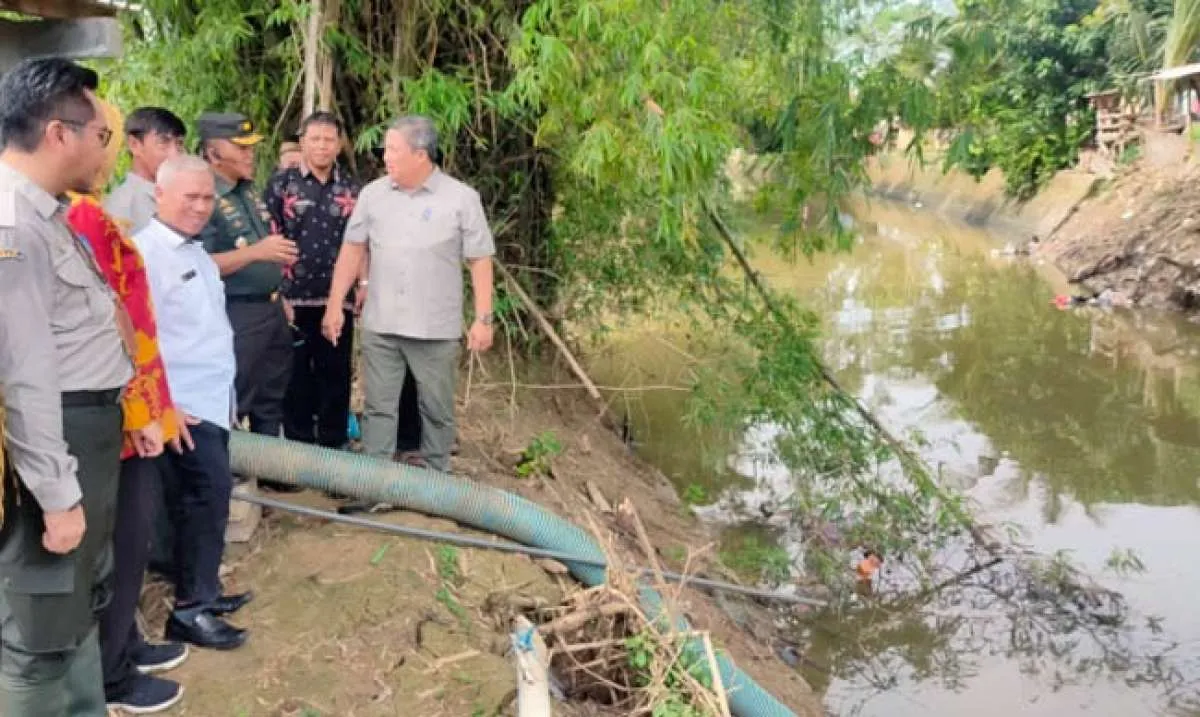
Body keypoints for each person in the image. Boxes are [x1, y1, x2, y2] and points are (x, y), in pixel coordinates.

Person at [0, 57, 134, 717]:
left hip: (85, 430)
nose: (104, 152)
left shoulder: (44, 214)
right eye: (100, 136)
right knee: (37, 625)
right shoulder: (12, 225)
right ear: (59, 134)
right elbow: (23, 374)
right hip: (53, 437)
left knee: (76, 601)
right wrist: (55, 495)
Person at [66, 98, 188, 713]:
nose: (106, 146)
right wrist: (143, 414)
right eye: (103, 134)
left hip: (132, 406)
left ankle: (124, 647)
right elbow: (111, 324)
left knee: (129, 542)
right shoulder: (80, 217)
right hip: (112, 416)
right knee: (118, 542)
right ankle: (111, 674)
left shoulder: (79, 212)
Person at [323, 115, 495, 472]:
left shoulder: (461, 198)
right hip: (381, 324)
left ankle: (436, 483)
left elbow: (480, 260)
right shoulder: (373, 194)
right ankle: (374, 484)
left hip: (434, 328)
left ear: (421, 155)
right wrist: (335, 303)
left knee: (436, 410)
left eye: (393, 150)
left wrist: (483, 318)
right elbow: (353, 250)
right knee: (378, 408)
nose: (385, 156)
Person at [134, 154, 251, 651]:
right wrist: (163, 404)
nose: (201, 207)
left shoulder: (196, 251)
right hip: (180, 408)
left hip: (212, 397)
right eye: (190, 198)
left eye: (208, 198)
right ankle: (190, 610)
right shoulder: (143, 254)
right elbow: (136, 337)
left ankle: (205, 588)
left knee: (204, 502)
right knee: (205, 497)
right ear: (160, 196)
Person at [197, 112, 297, 448]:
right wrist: (256, 253)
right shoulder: (201, 196)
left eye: (251, 147)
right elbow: (199, 264)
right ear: (213, 153)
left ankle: (270, 475)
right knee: (235, 396)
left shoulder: (248, 189)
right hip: (236, 313)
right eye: (240, 148)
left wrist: (277, 293)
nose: (249, 154)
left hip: (269, 309)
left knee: (272, 395)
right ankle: (233, 477)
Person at [265, 111, 362, 450]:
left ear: (339, 145)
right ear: (302, 141)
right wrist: (277, 291)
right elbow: (269, 236)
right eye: (315, 139)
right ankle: (298, 454)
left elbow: (361, 242)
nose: (322, 146)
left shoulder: (351, 188)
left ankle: (334, 453)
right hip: (292, 296)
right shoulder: (281, 184)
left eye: (329, 139)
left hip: (337, 299)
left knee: (335, 376)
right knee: (295, 379)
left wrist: (362, 284)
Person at [104, 107, 186, 234]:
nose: (175, 154)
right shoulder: (122, 207)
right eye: (163, 142)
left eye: (179, 144)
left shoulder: (181, 195)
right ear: (134, 145)